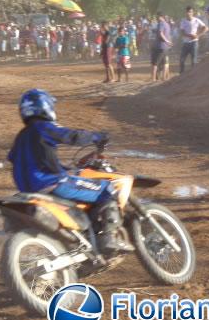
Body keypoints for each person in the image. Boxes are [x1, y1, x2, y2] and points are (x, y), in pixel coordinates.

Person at [8, 89, 132, 253]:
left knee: (76, 185)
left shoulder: (21, 137)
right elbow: (71, 136)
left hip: (29, 191)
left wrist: (67, 169)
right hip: (51, 184)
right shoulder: (43, 127)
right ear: (45, 106)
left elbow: (35, 162)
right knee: (108, 190)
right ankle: (108, 238)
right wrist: (97, 137)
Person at [179, 6, 207, 73]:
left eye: (190, 12)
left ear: (192, 12)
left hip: (194, 43)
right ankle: (181, 74)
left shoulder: (196, 20)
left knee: (194, 61)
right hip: (185, 43)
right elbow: (182, 32)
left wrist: (198, 35)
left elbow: (205, 28)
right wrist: (189, 35)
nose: (188, 13)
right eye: (187, 12)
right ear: (185, 12)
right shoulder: (183, 21)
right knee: (182, 60)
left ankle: (193, 75)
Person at [151, 12, 172, 81]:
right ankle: (164, 78)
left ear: (161, 16)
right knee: (165, 62)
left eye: (157, 16)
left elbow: (160, 33)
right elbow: (167, 34)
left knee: (155, 63)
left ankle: (153, 79)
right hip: (166, 47)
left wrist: (167, 41)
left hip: (160, 46)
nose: (156, 18)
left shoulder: (161, 23)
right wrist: (168, 42)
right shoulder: (167, 25)